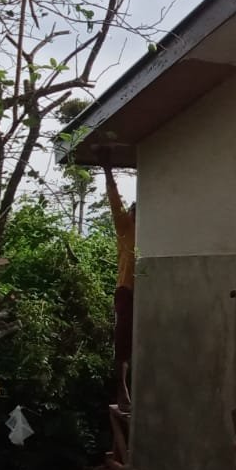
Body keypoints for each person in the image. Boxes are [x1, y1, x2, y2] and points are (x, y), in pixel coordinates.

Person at [102, 152, 136, 411]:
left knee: (137, 342)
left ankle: (132, 387)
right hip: (126, 290)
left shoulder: (150, 228)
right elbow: (115, 200)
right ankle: (122, 388)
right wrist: (107, 169)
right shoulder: (125, 226)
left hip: (146, 292)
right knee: (122, 342)